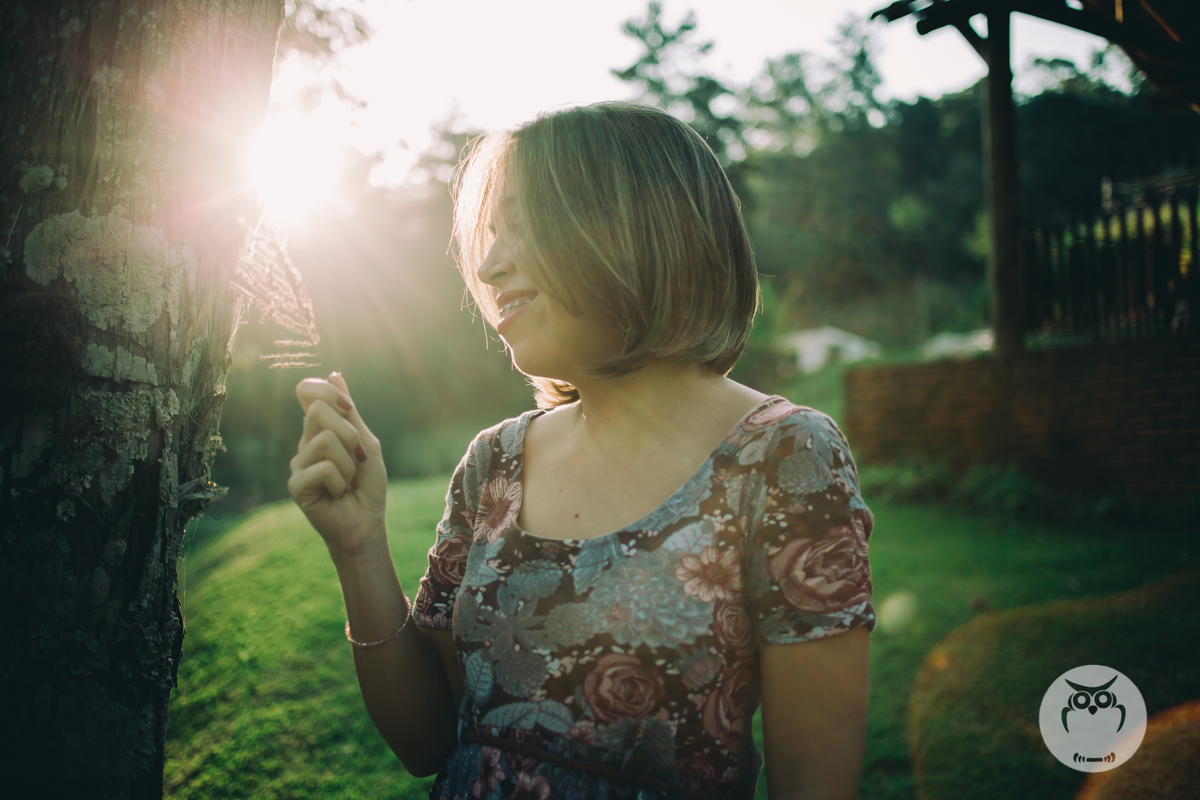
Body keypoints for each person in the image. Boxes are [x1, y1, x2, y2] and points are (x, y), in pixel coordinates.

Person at [288, 102, 876, 800]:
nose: (489, 264)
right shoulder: (494, 463)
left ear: (633, 228)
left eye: (523, 226)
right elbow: (426, 743)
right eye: (490, 234)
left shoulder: (786, 456)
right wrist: (357, 546)